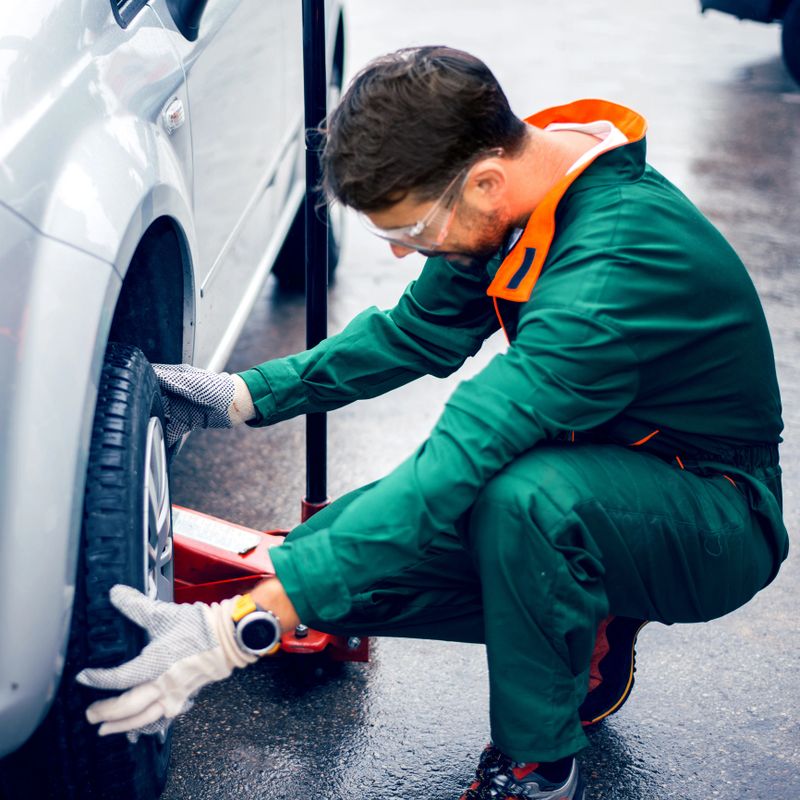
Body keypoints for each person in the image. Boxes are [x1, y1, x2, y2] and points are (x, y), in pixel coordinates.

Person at [76, 46, 788, 800]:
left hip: (712, 511)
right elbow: (415, 332)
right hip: (600, 465)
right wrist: (239, 394)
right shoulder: (518, 183)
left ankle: (537, 768)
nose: (397, 250)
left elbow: (464, 453)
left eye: (412, 230)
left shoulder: (607, 276)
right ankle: (582, 613)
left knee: (526, 503)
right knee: (328, 563)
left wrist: (239, 628)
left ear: (485, 182)